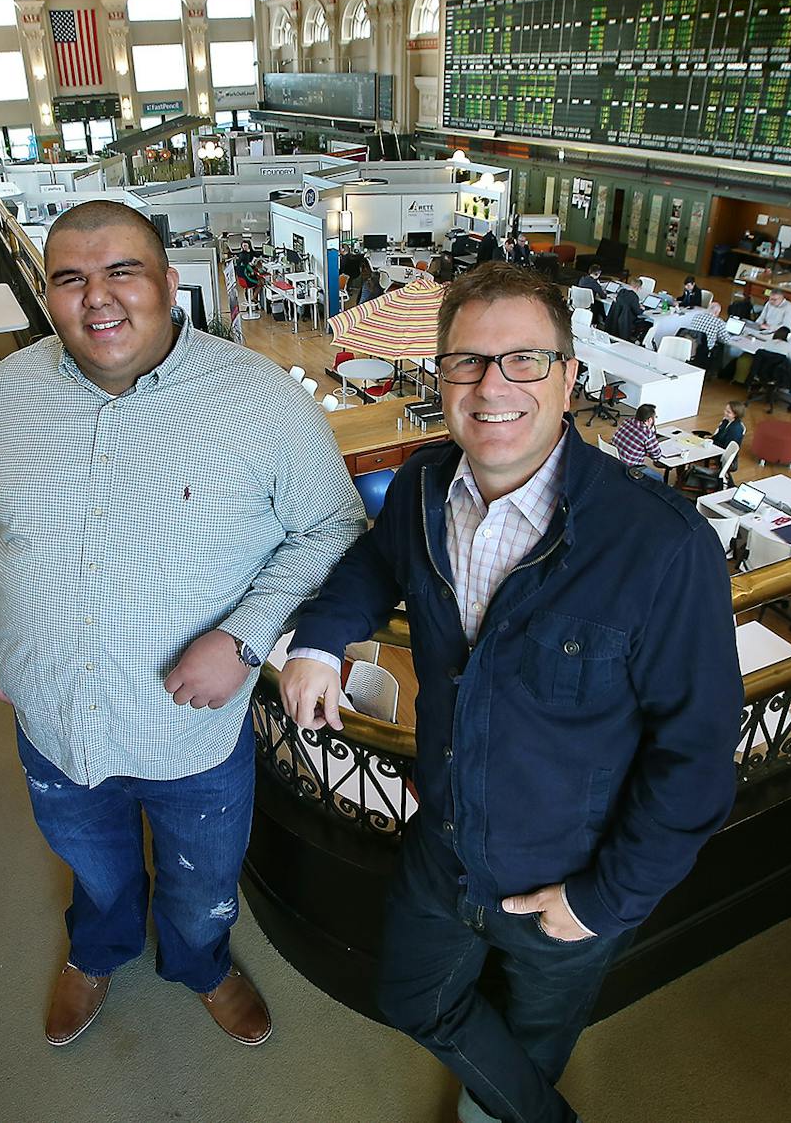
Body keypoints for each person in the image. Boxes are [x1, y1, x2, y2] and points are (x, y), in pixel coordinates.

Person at [279, 263, 740, 1123]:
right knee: (411, 995)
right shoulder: (421, 487)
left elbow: (700, 756)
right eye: (468, 363)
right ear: (442, 376)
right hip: (445, 840)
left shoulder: (661, 547)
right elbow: (375, 565)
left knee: (534, 1045)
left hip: (564, 877)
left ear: (570, 380)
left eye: (525, 360)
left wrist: (603, 900)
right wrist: (318, 637)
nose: (494, 386)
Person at [0, 201, 364, 1052]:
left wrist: (244, 637)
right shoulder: (11, 391)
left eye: (122, 270)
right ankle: (98, 950)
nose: (99, 298)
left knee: (204, 878)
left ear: (171, 283)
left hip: (190, 734)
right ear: (47, 295)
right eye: (71, 278)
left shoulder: (258, 401)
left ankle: (201, 964)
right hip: (55, 718)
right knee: (92, 867)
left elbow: (335, 528)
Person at [612, 403, 666, 481]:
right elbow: (656, 456)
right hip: (630, 467)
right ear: (650, 420)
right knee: (659, 478)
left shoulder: (626, 422)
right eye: (655, 417)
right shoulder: (647, 434)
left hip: (615, 460)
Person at [605, 274, 646, 342]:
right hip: (625, 322)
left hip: (614, 322)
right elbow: (638, 312)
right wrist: (642, 308)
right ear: (638, 288)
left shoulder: (622, 291)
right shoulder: (634, 297)